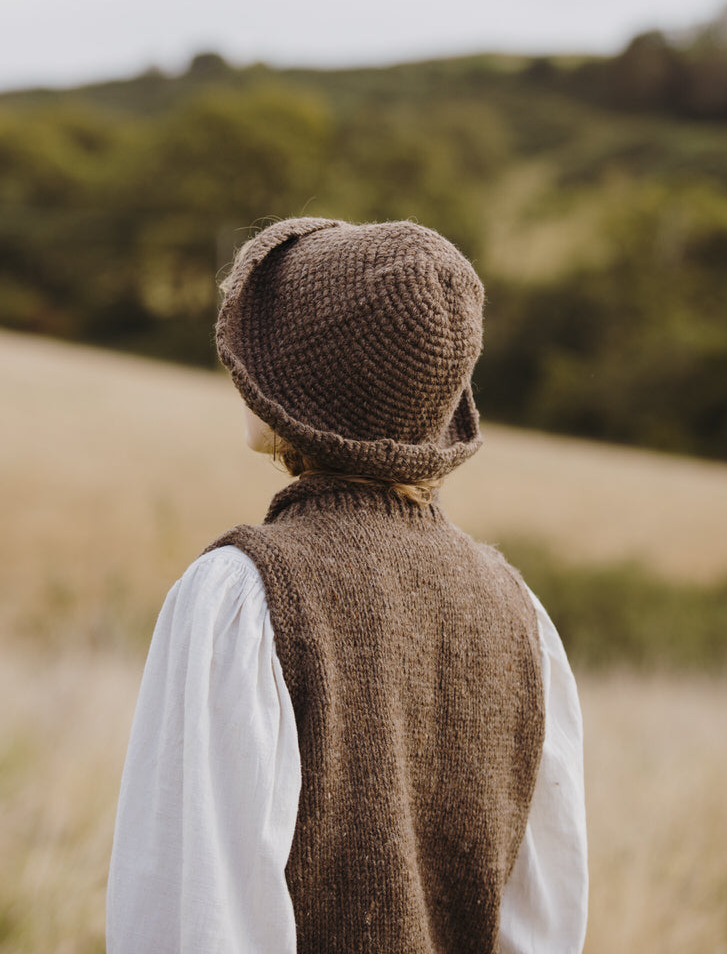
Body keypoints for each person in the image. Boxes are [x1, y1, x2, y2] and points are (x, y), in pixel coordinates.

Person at [106, 216, 588, 953]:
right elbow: (543, 922)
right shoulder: (518, 609)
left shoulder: (242, 594)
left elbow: (194, 916)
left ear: (310, 388)